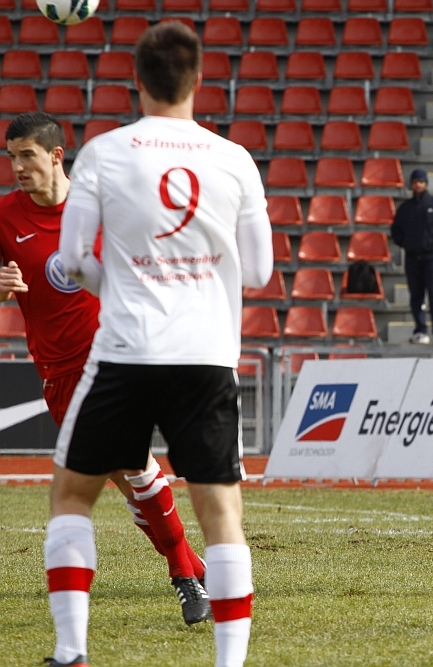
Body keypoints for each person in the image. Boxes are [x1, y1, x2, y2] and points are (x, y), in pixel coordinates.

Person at [46, 22, 272, 667]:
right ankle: (229, 662)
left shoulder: (103, 153)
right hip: (205, 357)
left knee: (72, 497)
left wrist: (120, 279)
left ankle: (71, 651)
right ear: (198, 80)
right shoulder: (234, 158)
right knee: (221, 515)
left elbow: (72, 261)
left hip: (126, 351)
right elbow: (259, 272)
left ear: (136, 82)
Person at [0, 113, 212, 628]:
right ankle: (196, 568)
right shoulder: (5, 216)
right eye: (11, 157)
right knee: (126, 481)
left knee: (135, 466)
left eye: (27, 155)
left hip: (116, 356)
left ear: (56, 155)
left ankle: (185, 581)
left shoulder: (100, 206)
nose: (18, 167)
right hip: (57, 371)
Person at [391, 168, 433, 345]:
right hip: (412, 257)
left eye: (421, 181)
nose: (418, 185)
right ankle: (420, 330)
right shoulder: (405, 208)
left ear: (426, 183)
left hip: (432, 257)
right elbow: (396, 230)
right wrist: (407, 243)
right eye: (415, 182)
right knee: (416, 295)